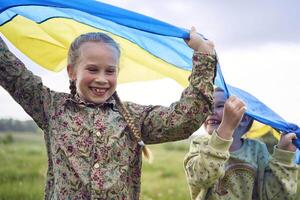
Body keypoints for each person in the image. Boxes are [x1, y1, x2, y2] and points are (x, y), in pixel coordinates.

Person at [0, 27, 217, 199]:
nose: (102, 79)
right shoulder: (50, 106)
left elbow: (184, 120)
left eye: (110, 71)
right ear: (72, 71)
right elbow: (11, 73)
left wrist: (204, 57)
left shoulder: (134, 116)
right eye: (92, 69)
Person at [184, 87, 298, 200]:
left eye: (220, 106)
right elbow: (201, 178)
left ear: (244, 118)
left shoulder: (257, 150)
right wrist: (226, 127)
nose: (210, 111)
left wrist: (284, 156)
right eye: (208, 106)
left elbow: (276, 195)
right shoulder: (200, 144)